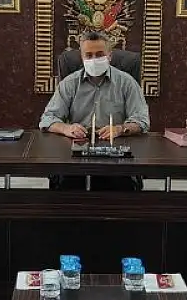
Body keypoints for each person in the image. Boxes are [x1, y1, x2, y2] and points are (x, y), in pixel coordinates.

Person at [39, 31, 150, 191]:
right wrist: (66, 128)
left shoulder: (127, 82)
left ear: (109, 56)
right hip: (78, 151)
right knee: (67, 189)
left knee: (121, 190)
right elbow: (47, 119)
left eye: (99, 55)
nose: (94, 60)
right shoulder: (69, 83)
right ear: (82, 57)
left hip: (115, 153)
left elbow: (142, 120)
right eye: (89, 55)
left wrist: (120, 129)